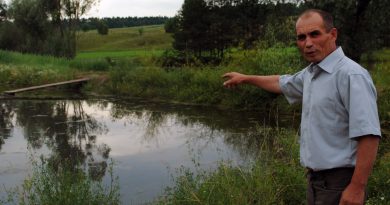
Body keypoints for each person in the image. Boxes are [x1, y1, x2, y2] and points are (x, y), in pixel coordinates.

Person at [222, 9, 381, 205]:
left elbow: (369, 135)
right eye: (301, 37)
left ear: (333, 34)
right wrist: (246, 78)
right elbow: (281, 83)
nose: (308, 43)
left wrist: (357, 187)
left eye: (315, 34)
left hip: (339, 184)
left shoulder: (351, 75)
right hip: (315, 182)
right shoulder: (312, 73)